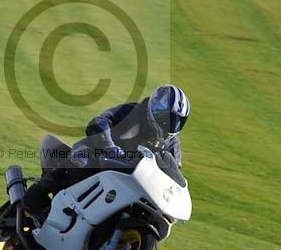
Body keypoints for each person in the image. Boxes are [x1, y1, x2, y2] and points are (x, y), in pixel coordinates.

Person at [22, 85, 190, 218]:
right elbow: (100, 121)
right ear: (156, 109)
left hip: (131, 181)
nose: (170, 125)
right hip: (101, 156)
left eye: (177, 121)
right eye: (168, 118)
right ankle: (37, 193)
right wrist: (109, 147)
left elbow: (173, 173)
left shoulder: (172, 144)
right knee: (82, 160)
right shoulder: (132, 111)